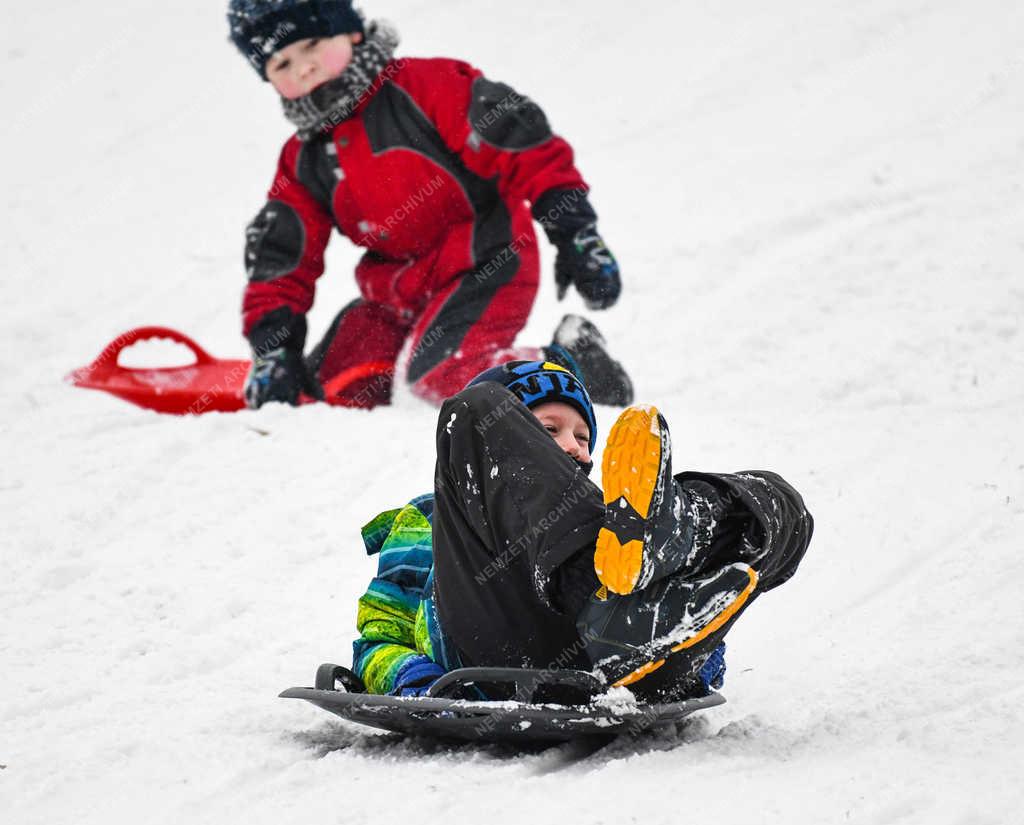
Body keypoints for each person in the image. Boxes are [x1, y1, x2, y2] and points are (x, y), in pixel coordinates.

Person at [226, 1, 632, 410]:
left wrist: (576, 234)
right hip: (398, 290)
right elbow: (280, 255)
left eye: (312, 44)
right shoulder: (302, 159)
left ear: (350, 32)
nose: (303, 68)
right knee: (332, 384)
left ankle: (569, 364)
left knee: (439, 376)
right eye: (281, 64)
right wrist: (273, 348)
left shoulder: (424, 88)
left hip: (487, 262)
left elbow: (524, 145)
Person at [350, 361, 813, 701]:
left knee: (777, 502)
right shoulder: (432, 522)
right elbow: (379, 637)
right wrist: (414, 680)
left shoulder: (618, 535)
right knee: (473, 408)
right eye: (548, 430)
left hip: (621, 669)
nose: (575, 449)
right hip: (499, 657)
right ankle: (610, 602)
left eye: (583, 437)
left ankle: (667, 543)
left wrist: (699, 648)